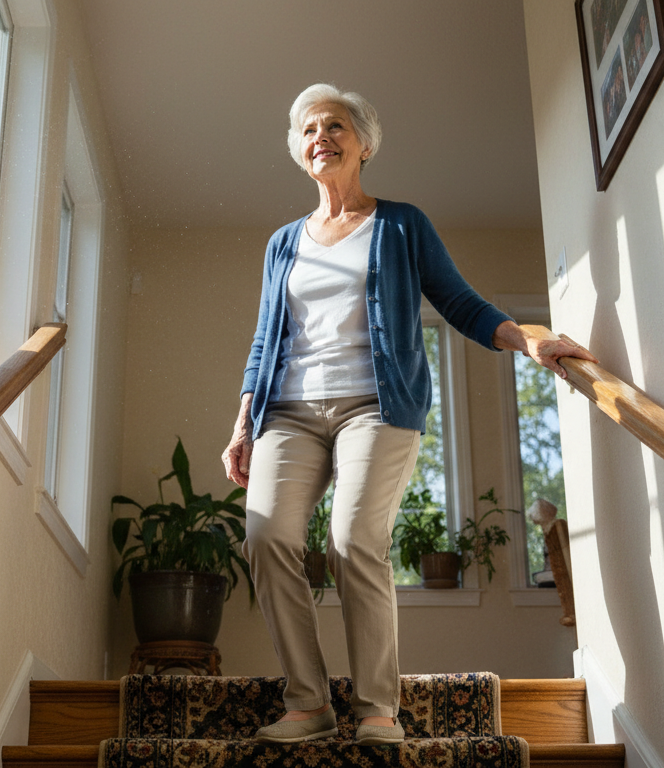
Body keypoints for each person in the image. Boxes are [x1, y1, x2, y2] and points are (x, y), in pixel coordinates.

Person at [221, 84, 596, 746]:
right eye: (308, 130)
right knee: (266, 536)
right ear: (298, 150)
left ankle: (375, 709)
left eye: (335, 126)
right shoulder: (283, 243)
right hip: (289, 412)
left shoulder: (400, 225)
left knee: (351, 539)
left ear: (364, 143)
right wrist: (243, 421)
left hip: (379, 405)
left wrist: (528, 337)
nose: (320, 137)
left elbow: (459, 301)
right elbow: (264, 339)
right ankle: (308, 705)